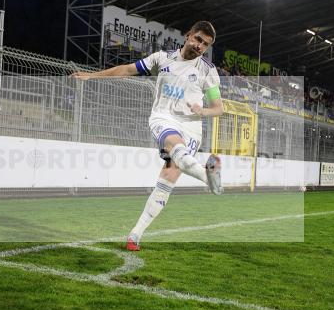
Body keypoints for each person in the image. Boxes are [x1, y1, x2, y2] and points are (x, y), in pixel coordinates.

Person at [72, 21, 224, 251]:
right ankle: (208, 177)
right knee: (176, 148)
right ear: (188, 35)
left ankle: (135, 235)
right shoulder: (161, 59)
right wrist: (92, 76)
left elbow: (218, 108)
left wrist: (203, 110)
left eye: (205, 44)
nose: (200, 46)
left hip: (192, 127)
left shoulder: (208, 71)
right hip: (163, 119)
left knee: (167, 180)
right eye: (198, 39)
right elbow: (126, 69)